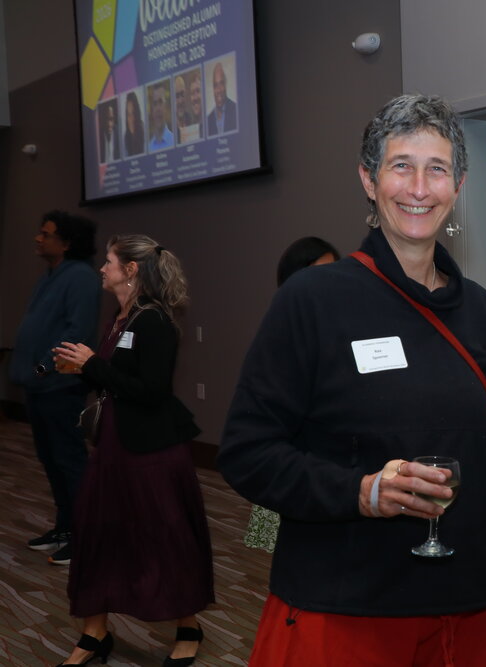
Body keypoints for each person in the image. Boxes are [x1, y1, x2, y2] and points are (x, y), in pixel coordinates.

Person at [218, 94, 486, 666]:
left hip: (475, 610)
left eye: (437, 169)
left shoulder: (482, 311)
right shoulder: (313, 300)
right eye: (401, 166)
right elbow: (247, 452)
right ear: (369, 179)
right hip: (348, 611)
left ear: (458, 185)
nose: (419, 188)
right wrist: (360, 492)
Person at [52, 235, 214, 667]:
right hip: (113, 444)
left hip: (150, 451)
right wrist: (81, 367)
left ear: (131, 270)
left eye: (108, 262)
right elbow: (114, 381)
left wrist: (93, 364)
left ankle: (188, 626)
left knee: (163, 538)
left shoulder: (153, 320)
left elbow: (152, 391)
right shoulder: (119, 318)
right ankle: (94, 633)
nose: (102, 269)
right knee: (98, 533)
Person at [9, 211, 101, 567]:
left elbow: (77, 332)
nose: (38, 238)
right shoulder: (50, 276)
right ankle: (65, 528)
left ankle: (84, 538)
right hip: (40, 387)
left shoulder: (80, 278)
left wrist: (41, 368)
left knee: (69, 462)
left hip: (60, 386)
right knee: (51, 460)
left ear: (66, 243)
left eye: (46, 234)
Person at [243, 235, 341, 553]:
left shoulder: (344, 322)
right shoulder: (283, 327)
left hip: (335, 460)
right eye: (316, 273)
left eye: (332, 272)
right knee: (292, 549)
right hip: (294, 456)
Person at [207, 63, 237, 136]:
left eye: (221, 84)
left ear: (225, 84)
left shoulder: (236, 110)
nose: (218, 90)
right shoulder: (208, 120)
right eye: (215, 85)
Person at [148, 82, 174, 152]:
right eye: (155, 103)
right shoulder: (149, 148)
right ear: (152, 110)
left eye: (161, 102)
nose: (158, 109)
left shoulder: (174, 141)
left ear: (166, 106)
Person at [124, 91, 145, 157]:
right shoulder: (126, 137)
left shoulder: (145, 132)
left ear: (137, 113)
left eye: (133, 113)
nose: (131, 119)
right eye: (128, 114)